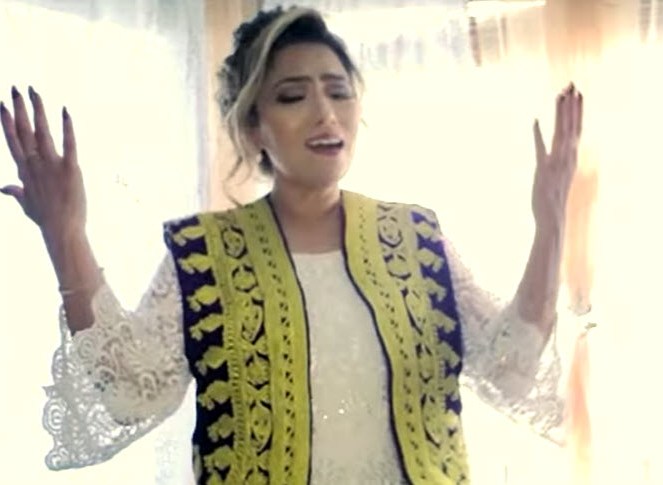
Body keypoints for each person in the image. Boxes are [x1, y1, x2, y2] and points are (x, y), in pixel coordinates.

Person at [0, 6, 582, 485]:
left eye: (339, 92)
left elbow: (509, 371)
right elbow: (131, 393)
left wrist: (551, 225)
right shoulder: (203, 256)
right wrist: (65, 234)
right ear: (253, 126)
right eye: (292, 96)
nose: (325, 114)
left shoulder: (415, 240)